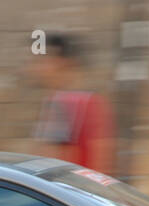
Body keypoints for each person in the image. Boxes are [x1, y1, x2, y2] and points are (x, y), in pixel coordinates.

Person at [29, 33, 114, 173]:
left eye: (42, 61)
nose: (35, 68)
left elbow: (49, 161)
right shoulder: (91, 100)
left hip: (67, 189)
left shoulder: (65, 102)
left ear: (62, 63)